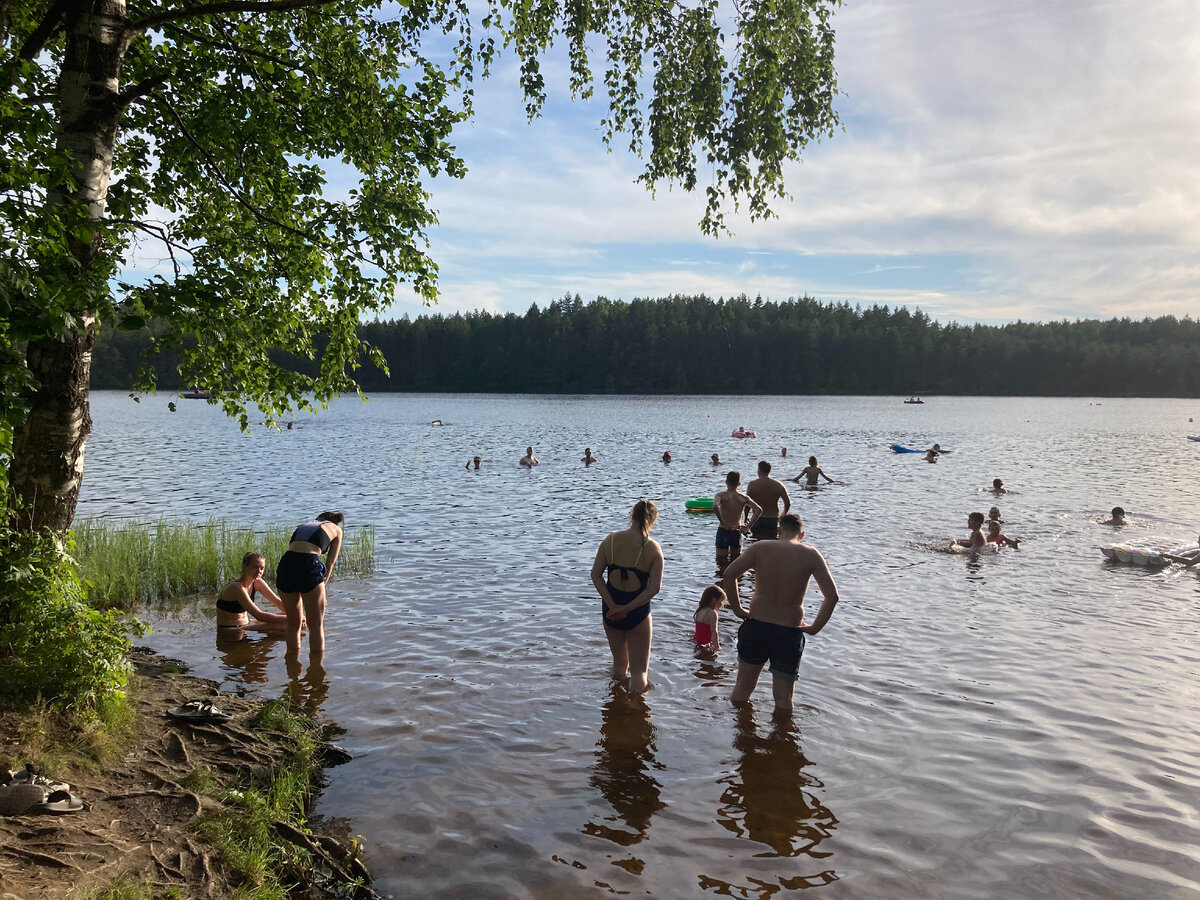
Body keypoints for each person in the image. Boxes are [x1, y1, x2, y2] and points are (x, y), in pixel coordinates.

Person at [723, 513, 839, 712]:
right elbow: (832, 597)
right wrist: (814, 628)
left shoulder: (760, 548)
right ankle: (783, 739)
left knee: (742, 689)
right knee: (784, 699)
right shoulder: (811, 554)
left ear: (779, 532)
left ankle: (740, 737)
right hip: (789, 632)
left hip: (756, 626)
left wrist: (737, 608)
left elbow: (729, 575)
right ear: (801, 534)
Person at [590, 499, 664, 694]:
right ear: (653, 520)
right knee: (639, 672)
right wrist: (627, 609)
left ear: (632, 516)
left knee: (619, 666)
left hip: (610, 611)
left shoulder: (611, 540)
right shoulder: (652, 548)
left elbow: (595, 575)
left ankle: (616, 705)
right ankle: (635, 713)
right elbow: (655, 588)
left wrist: (613, 605)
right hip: (637, 613)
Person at [277, 511, 344, 655]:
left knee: (293, 624)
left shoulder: (305, 525)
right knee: (315, 626)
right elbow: (330, 563)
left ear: (320, 519)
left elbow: (295, 550)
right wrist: (322, 589)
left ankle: (293, 669)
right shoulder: (337, 530)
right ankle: (317, 670)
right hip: (309, 563)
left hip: (286, 564)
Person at [216, 552, 288, 629]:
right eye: (255, 567)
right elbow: (259, 615)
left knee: (293, 623)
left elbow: (279, 603)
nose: (259, 571)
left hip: (247, 624)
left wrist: (297, 615)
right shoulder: (236, 587)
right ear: (244, 567)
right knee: (281, 625)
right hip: (230, 630)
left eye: (262, 568)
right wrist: (293, 618)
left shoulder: (257, 582)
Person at [715, 471, 761, 564]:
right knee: (735, 561)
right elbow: (759, 510)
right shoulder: (743, 497)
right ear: (739, 483)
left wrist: (723, 522)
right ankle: (737, 578)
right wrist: (748, 526)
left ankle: (722, 577)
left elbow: (715, 506)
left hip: (723, 530)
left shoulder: (721, 495)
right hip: (736, 531)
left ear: (726, 482)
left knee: (721, 561)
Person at [746, 460, 791, 541]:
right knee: (771, 543)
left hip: (757, 519)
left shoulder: (753, 484)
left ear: (759, 470)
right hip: (772, 519)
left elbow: (747, 503)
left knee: (757, 544)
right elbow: (787, 503)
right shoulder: (778, 485)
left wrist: (746, 517)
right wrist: (783, 515)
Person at [693, 584, 728, 653]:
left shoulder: (700, 610)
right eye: (721, 601)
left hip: (695, 641)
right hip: (706, 645)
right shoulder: (712, 614)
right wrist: (718, 647)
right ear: (714, 600)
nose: (722, 605)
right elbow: (714, 632)